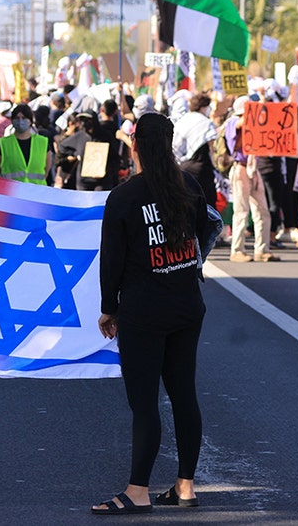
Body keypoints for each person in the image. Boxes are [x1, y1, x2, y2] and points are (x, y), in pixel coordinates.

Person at [93, 113, 220, 515]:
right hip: (186, 305)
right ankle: (185, 487)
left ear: (135, 147)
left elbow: (111, 261)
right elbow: (205, 234)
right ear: (169, 144)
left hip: (143, 312)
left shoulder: (125, 197)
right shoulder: (190, 186)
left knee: (145, 403)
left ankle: (138, 491)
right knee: (184, 396)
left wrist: (108, 309)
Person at [221, 97, 278, 263]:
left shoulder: (255, 123)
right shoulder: (232, 122)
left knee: (262, 210)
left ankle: (262, 249)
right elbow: (241, 123)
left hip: (254, 168)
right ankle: (237, 250)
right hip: (240, 168)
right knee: (241, 211)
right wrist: (255, 109)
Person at [0, 104, 52, 185]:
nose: (20, 121)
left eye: (24, 118)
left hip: (36, 193)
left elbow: (46, 172)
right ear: (12, 121)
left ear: (30, 121)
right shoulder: (3, 144)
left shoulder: (43, 143)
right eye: (17, 118)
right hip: (11, 193)